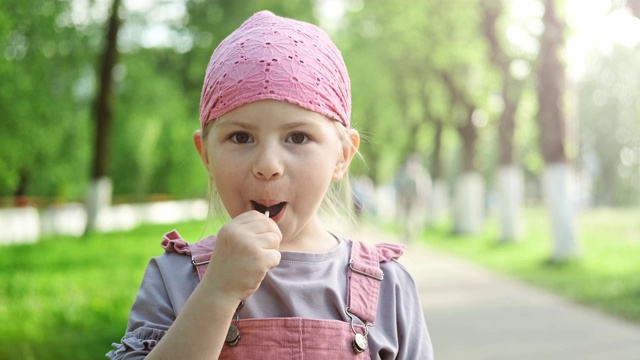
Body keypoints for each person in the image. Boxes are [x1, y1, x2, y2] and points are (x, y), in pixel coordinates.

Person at [107, 10, 433, 359]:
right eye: (241, 137)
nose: (267, 166)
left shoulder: (388, 288)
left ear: (342, 155)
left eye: (297, 137)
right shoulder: (173, 279)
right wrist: (217, 292)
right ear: (206, 156)